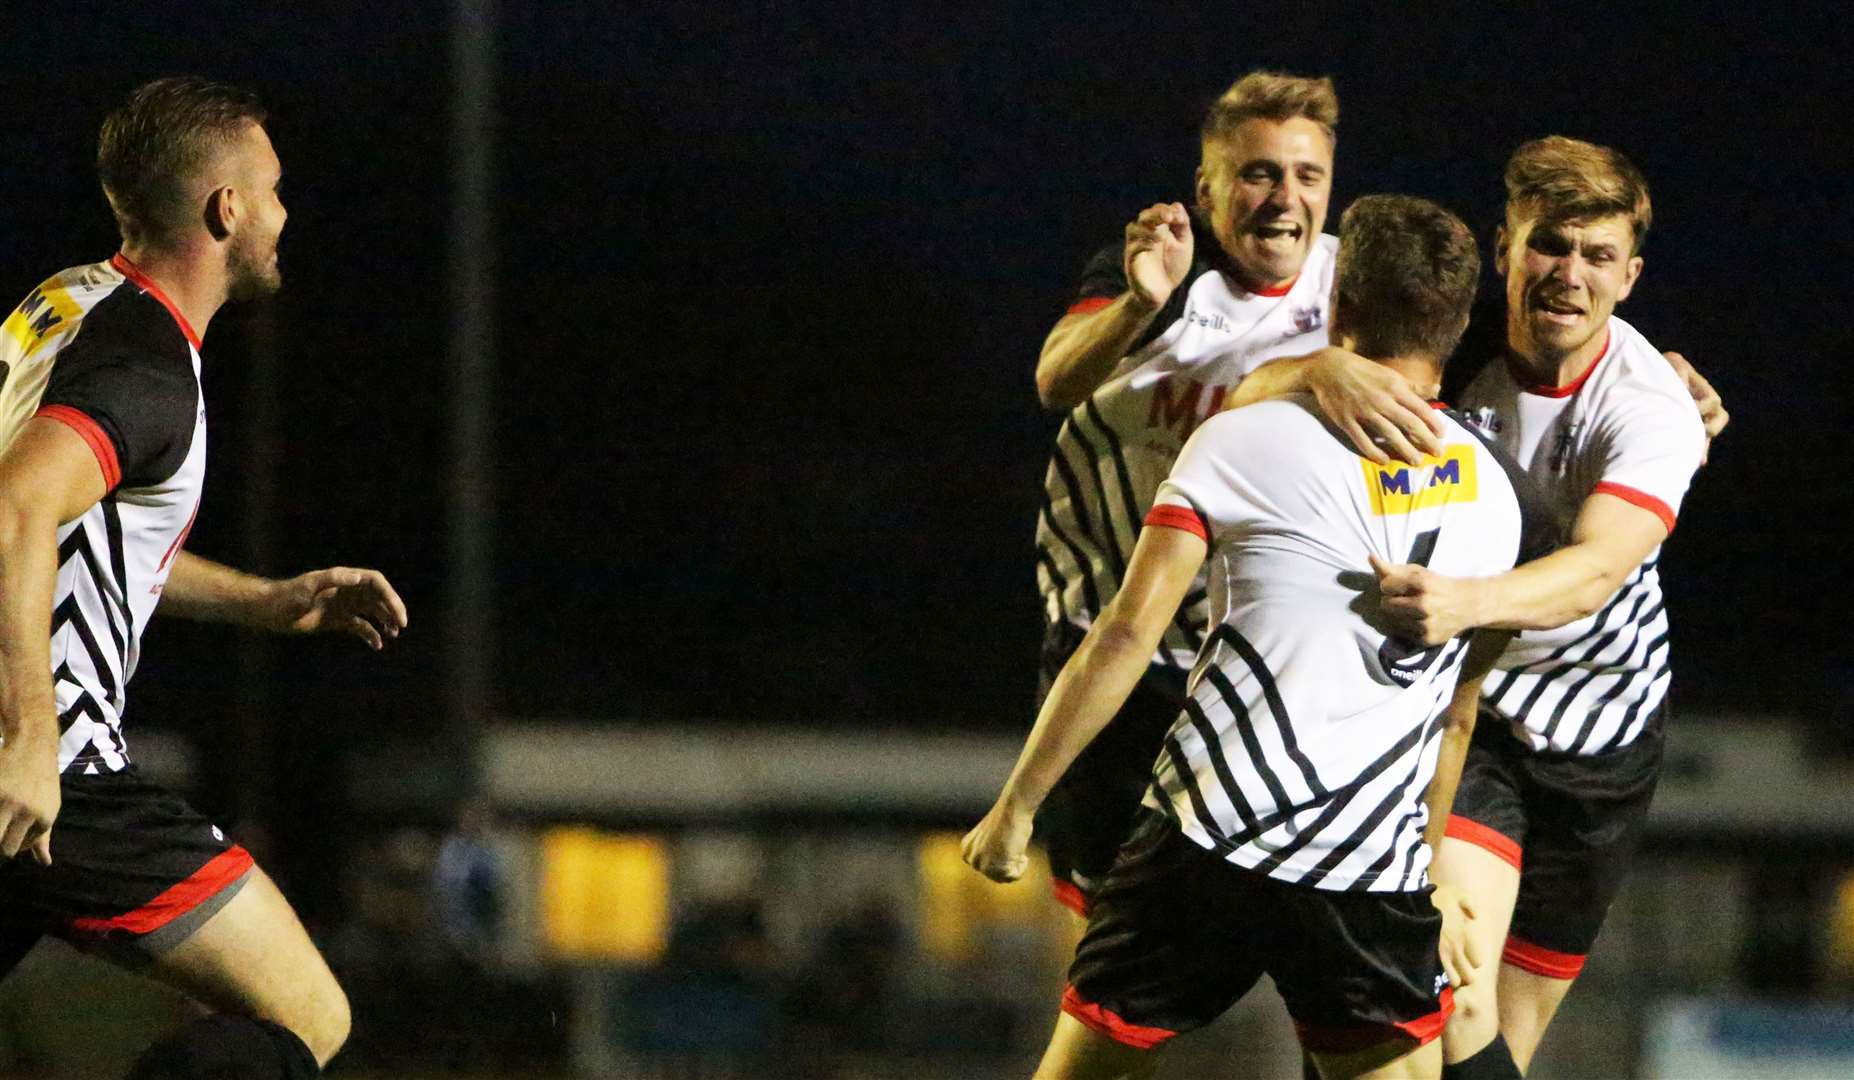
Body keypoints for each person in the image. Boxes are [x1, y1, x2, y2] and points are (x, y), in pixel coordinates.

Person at [967, 194, 1553, 1080]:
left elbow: (1125, 635)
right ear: (1462, 320)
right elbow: (1459, 716)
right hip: (1367, 863)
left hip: (1208, 839)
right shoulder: (1505, 498)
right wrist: (1430, 868)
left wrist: (1015, 810)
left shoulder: (1240, 439)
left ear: (1340, 308)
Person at [0, 77, 406, 1079]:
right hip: (61, 784)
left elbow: (82, 537)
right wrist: (30, 735)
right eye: (270, 188)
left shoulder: (65, 304)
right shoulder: (144, 367)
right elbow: (15, 509)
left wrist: (266, 602)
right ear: (226, 210)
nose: (282, 212)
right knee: (309, 1017)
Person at [1029, 70, 1448, 919]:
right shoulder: (1163, 268)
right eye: (1257, 173)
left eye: (1307, 176)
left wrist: (1655, 381)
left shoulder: (1356, 291)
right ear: (1207, 187)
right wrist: (1137, 308)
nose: (1283, 198)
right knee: (1110, 941)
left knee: (1305, 927)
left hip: (1263, 668)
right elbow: (1053, 379)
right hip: (1116, 656)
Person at [1367, 137, 1707, 1080]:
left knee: (1500, 1045)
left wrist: (1467, 601)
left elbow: (1598, 568)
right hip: (1474, 725)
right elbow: (1306, 352)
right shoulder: (1443, 349)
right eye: (1551, 245)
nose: (1570, 275)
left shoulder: (1651, 408)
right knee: (1446, 997)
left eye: (1598, 257)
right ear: (1504, 244)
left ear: (1630, 276)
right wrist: (1323, 371)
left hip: (1606, 740)